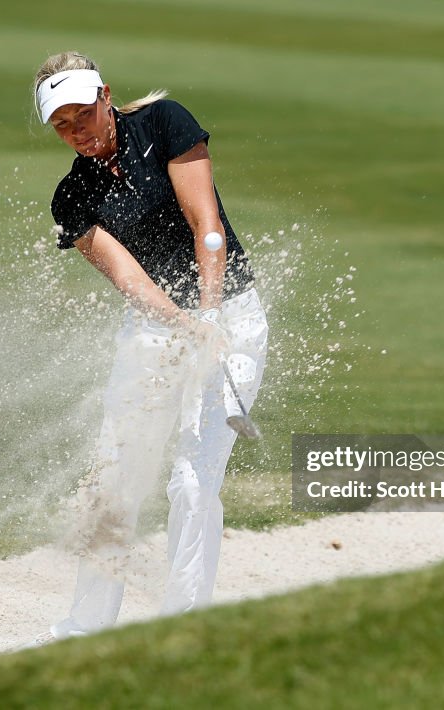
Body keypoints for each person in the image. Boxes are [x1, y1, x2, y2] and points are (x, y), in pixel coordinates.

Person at [33, 51, 268, 642]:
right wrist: (185, 323)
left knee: (192, 481)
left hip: (231, 317)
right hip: (156, 331)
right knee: (112, 479)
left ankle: (182, 627)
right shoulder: (72, 198)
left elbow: (205, 222)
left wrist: (209, 312)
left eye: (83, 114)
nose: (77, 132)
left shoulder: (165, 124)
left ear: (106, 95)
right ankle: (84, 627)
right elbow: (132, 281)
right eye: (62, 126)